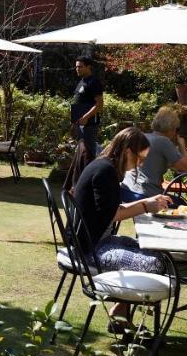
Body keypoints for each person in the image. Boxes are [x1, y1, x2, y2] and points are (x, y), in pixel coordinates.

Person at [72, 127, 172, 326]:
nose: (140, 164)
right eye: (139, 159)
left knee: (161, 254)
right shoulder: (105, 172)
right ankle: (120, 310)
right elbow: (115, 214)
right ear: (127, 152)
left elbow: (111, 208)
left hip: (96, 240)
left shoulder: (104, 166)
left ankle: (121, 310)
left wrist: (149, 200)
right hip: (90, 248)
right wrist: (145, 206)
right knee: (155, 263)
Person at [122, 105, 187, 201]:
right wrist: (182, 145)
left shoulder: (142, 137)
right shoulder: (163, 141)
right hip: (145, 194)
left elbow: (154, 163)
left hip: (127, 190)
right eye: (176, 129)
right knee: (181, 203)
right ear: (172, 128)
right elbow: (185, 167)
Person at [72, 56, 104, 161]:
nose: (77, 69)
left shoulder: (94, 82)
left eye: (80, 67)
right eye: (76, 67)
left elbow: (99, 104)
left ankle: (90, 175)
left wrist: (85, 117)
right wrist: (75, 122)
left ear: (88, 67)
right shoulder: (82, 81)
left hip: (89, 124)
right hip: (80, 123)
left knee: (88, 152)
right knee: (81, 152)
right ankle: (80, 174)